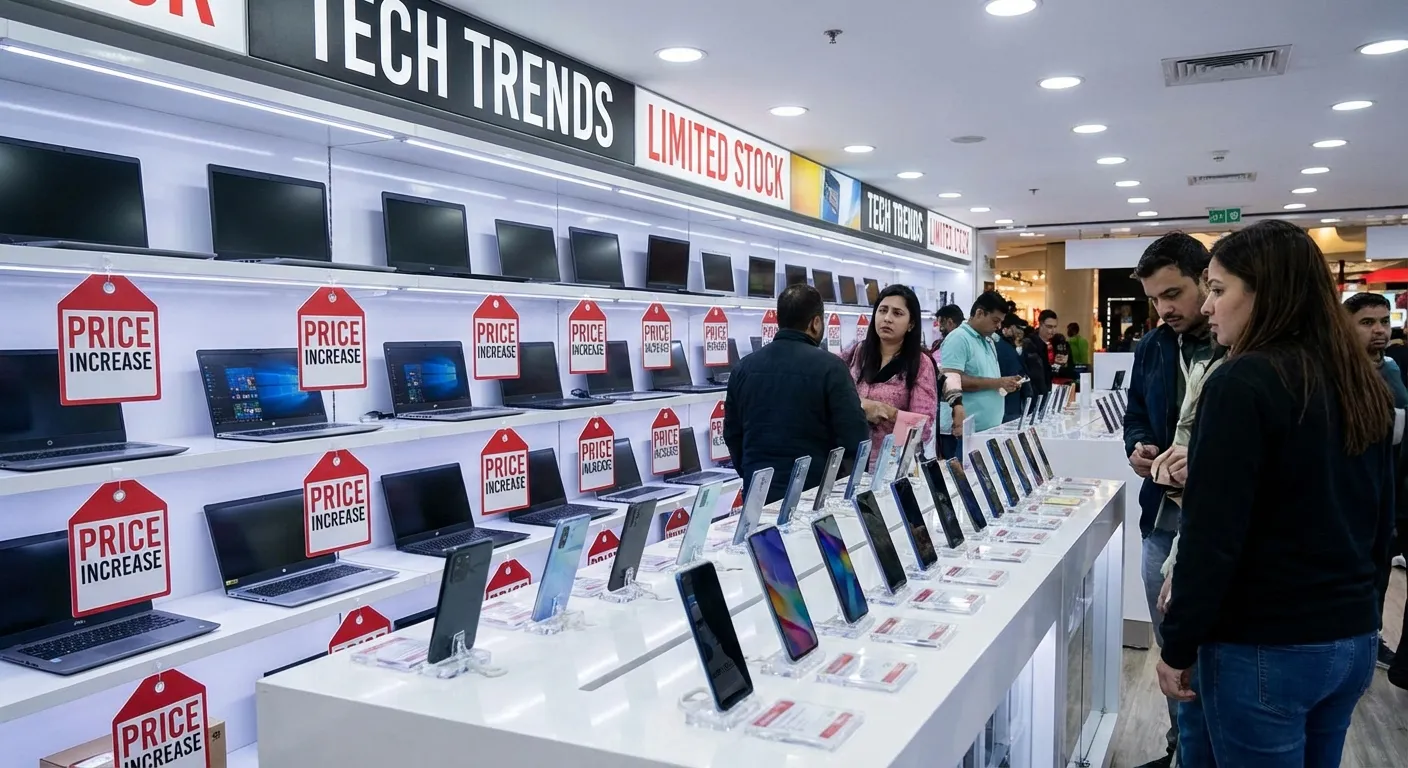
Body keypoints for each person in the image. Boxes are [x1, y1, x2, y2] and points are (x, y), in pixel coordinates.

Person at [1157, 220, 1394, 767]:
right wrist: (1367, 611)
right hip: (1350, 634)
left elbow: (1213, 536)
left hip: (1267, 642)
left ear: (1266, 292)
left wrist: (1178, 643)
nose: (1209, 306)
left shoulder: (1242, 382)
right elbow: (1380, 519)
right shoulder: (1359, 378)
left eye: (1218, 289)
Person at [1122, 232, 1214, 768]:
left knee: (1209, 653)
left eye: (1174, 294)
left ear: (1207, 279)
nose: (1165, 309)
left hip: (1213, 524)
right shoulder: (1154, 346)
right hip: (1161, 519)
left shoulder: (1238, 346)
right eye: (1155, 298)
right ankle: (1180, 747)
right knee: (1171, 653)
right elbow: (1136, 411)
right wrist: (1138, 446)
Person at [723, 284, 870, 502]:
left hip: (758, 495)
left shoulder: (742, 368)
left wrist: (751, 475)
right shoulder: (831, 367)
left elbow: (733, 436)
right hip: (814, 494)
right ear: (816, 323)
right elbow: (854, 437)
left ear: (778, 320)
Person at [1343, 292, 1407, 672]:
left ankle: (1371, 639)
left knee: (1379, 572)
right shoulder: (1335, 373)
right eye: (1368, 323)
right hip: (1353, 493)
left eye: (1384, 321)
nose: (1380, 330)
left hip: (1391, 490)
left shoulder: (1393, 369)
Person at [842, 285, 951, 469]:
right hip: (852, 460)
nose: (887, 318)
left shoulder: (920, 363)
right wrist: (860, 404)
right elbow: (832, 389)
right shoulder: (856, 352)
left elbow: (922, 426)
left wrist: (886, 411)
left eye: (897, 313)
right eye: (882, 310)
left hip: (892, 464)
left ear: (911, 324)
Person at [937, 291, 1024, 459]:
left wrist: (1005, 385)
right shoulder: (958, 338)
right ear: (979, 313)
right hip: (963, 432)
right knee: (961, 483)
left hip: (986, 430)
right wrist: (998, 382)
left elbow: (987, 378)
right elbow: (952, 380)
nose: (998, 327)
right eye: (995, 321)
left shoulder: (988, 340)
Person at [997, 314, 1033, 422]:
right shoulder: (1001, 347)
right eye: (1018, 328)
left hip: (1011, 403)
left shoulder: (1009, 346)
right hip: (1008, 404)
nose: (1021, 332)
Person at [1023, 309, 1057, 396]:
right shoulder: (1030, 344)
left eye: (1054, 327)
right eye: (1049, 327)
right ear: (1041, 324)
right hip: (1035, 394)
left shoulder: (1052, 343)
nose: (1052, 331)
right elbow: (1036, 375)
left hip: (1046, 391)